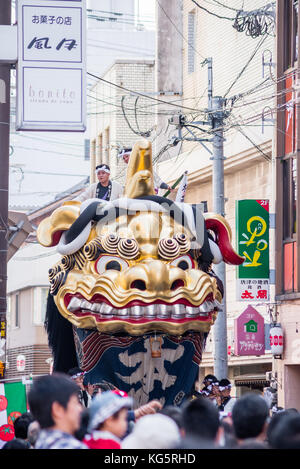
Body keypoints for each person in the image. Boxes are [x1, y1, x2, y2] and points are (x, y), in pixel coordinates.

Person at [27, 373, 88, 449]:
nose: (80, 409)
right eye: (75, 403)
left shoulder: (39, 443)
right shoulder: (71, 446)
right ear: (58, 409)